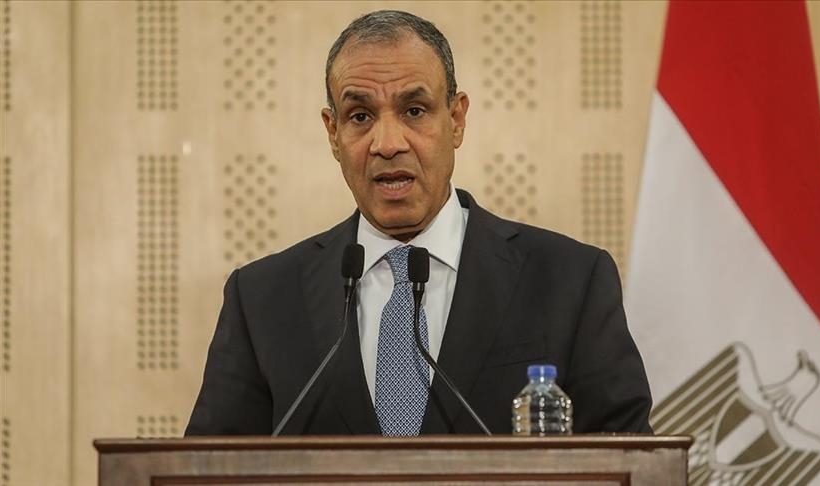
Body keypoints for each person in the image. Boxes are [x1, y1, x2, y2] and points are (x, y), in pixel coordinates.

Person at [186, 10, 652, 436]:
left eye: (414, 111)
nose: (387, 143)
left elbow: (629, 460)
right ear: (333, 133)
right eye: (360, 116)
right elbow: (207, 470)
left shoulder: (569, 280)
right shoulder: (263, 300)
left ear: (456, 119)